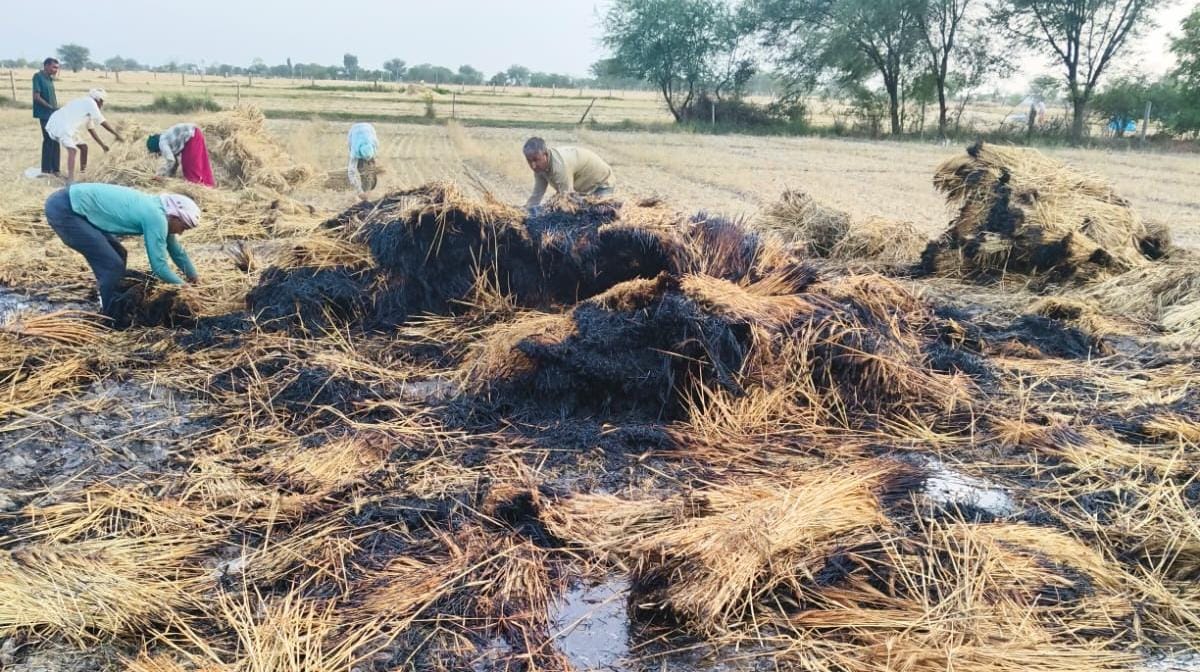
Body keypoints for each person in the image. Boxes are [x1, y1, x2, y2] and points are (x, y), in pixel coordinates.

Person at [43, 183, 200, 318]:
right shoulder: (156, 217)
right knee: (112, 265)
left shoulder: (161, 214)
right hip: (66, 210)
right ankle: (108, 315)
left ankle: (106, 293)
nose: (180, 233)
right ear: (174, 217)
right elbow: (159, 268)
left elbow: (177, 251)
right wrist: (184, 288)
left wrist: (194, 277)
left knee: (119, 254)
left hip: (74, 205)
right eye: (183, 227)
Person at [45, 89, 124, 183]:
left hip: (68, 126)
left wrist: (102, 145)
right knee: (72, 150)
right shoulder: (90, 103)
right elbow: (101, 121)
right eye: (102, 101)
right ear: (98, 100)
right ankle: (70, 180)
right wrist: (116, 134)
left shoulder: (88, 105)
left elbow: (91, 129)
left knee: (83, 147)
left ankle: (83, 173)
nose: (102, 104)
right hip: (61, 124)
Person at [523, 137, 615, 209]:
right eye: (529, 161)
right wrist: (525, 212)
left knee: (597, 217)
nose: (533, 165)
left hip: (602, 183)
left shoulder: (559, 167)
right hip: (583, 189)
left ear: (545, 154)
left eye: (536, 160)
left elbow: (567, 199)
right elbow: (537, 194)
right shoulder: (539, 169)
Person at [147, 123, 215, 186]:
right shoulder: (166, 139)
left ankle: (196, 188)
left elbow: (171, 160)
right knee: (202, 162)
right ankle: (209, 185)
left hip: (191, 137)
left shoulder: (162, 143)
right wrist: (170, 176)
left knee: (189, 166)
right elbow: (175, 162)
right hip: (195, 133)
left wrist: (160, 175)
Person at [32, 57, 60, 176]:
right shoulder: (38, 77)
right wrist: (50, 107)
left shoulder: (49, 79)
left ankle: (56, 169)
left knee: (56, 140)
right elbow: (36, 97)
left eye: (57, 68)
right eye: (54, 67)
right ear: (46, 65)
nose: (56, 70)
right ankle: (46, 170)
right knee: (48, 140)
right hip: (44, 114)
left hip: (53, 113)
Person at [347, 122, 379, 201]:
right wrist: (360, 192)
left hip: (369, 128)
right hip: (354, 130)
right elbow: (351, 172)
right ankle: (364, 188)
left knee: (370, 169)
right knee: (360, 167)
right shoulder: (354, 152)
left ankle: (369, 187)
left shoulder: (374, 144)